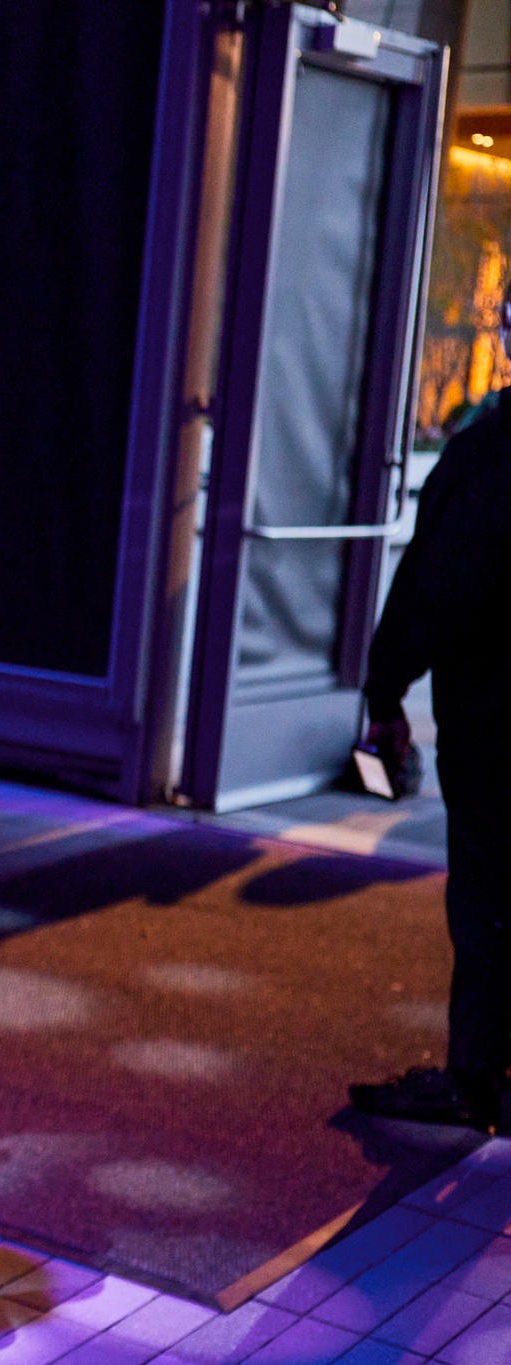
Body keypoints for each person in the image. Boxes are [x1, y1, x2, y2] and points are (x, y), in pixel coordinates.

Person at [349, 295, 510, 1136]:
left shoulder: (490, 458)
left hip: (498, 726)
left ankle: (477, 1077)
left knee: (488, 897)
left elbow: (434, 590)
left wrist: (385, 693)